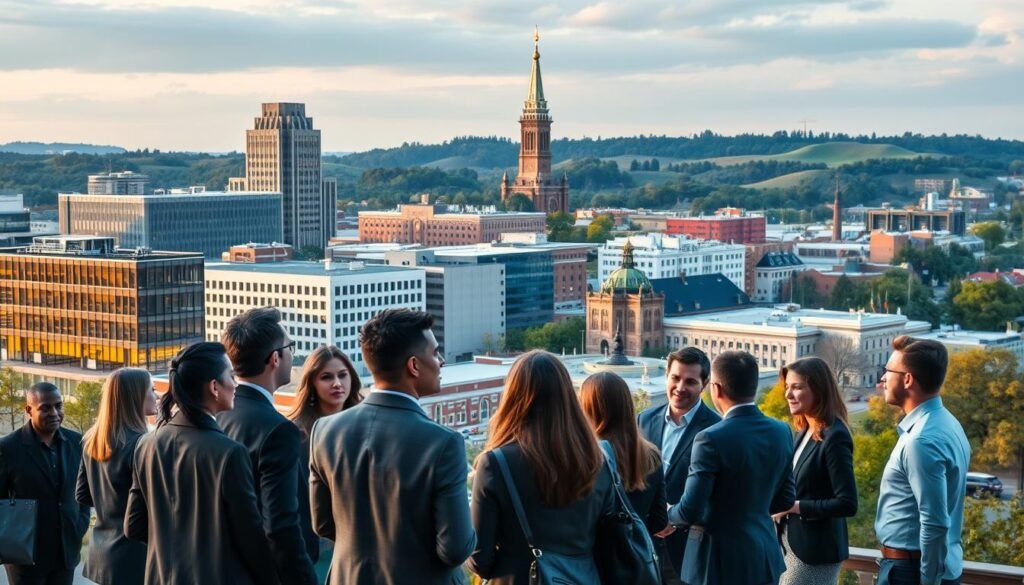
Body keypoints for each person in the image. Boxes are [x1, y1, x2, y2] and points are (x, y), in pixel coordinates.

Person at [308, 309, 474, 585]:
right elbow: (455, 548)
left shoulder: (325, 431)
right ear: (414, 366)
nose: (442, 361)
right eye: (435, 353)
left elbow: (323, 523)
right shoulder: (443, 444)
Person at [124, 342, 278, 585]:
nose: (235, 384)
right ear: (214, 387)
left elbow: (133, 526)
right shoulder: (229, 454)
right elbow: (250, 540)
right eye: (231, 376)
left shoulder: (146, 444)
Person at [469, 350, 616, 585]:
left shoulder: (495, 464)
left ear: (514, 396)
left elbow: (480, 560)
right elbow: (608, 538)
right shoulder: (600, 458)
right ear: (568, 395)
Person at [668, 350, 795, 585]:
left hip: (716, 562)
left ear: (715, 389)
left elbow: (690, 510)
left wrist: (667, 514)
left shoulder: (709, 438)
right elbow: (785, 500)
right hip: (763, 556)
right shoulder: (782, 431)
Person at [217, 306, 317, 585]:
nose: (292, 354)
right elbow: (280, 525)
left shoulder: (215, 415)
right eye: (290, 347)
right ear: (275, 358)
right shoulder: (278, 431)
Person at [875, 336, 970, 585]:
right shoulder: (949, 423)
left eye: (887, 371)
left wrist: (928, 581)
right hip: (922, 566)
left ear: (907, 379)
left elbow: (935, 522)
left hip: (911, 572)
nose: (882, 379)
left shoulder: (922, 440)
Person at [637, 346, 720, 584]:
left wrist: (673, 519)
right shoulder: (644, 420)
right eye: (675, 378)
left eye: (690, 381)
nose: (680, 387)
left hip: (687, 549)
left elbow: (720, 496)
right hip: (644, 545)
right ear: (666, 376)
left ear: (704, 384)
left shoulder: (717, 429)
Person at [771, 357, 858, 585]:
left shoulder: (835, 435)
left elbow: (847, 503)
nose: (788, 395)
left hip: (816, 553)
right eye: (787, 387)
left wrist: (795, 506)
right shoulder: (804, 430)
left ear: (818, 389)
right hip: (791, 545)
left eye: (797, 387)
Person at [0, 382, 90, 585]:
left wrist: (80, 525)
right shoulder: (8, 448)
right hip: (25, 556)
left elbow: (84, 492)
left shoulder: (77, 442)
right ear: (29, 410)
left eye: (58, 405)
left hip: (66, 553)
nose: (54, 412)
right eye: (45, 407)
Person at [76, 368, 159, 585]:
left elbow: (83, 495)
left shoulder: (90, 440)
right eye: (151, 389)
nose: (156, 394)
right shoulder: (143, 445)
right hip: (135, 558)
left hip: (102, 554)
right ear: (136, 396)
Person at [285, 345, 362, 569]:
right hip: (315, 549)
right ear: (312, 384)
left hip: (360, 545)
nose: (337, 384)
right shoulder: (295, 434)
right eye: (327, 377)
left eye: (342, 375)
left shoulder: (364, 428)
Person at [580, 371, 667, 537]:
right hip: (633, 558)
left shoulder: (585, 458)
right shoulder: (652, 456)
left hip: (591, 558)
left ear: (588, 409)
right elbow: (660, 520)